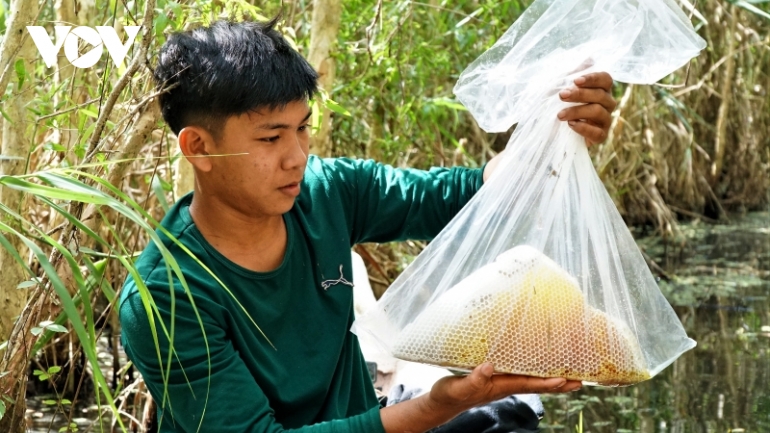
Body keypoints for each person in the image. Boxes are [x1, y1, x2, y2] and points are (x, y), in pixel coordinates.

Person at [119, 18, 617, 433]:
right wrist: (444, 402)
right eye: (271, 138)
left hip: (365, 420)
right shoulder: (164, 296)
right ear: (199, 148)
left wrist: (555, 128)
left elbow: (463, 192)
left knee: (508, 419)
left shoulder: (327, 192)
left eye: (302, 128)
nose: (297, 158)